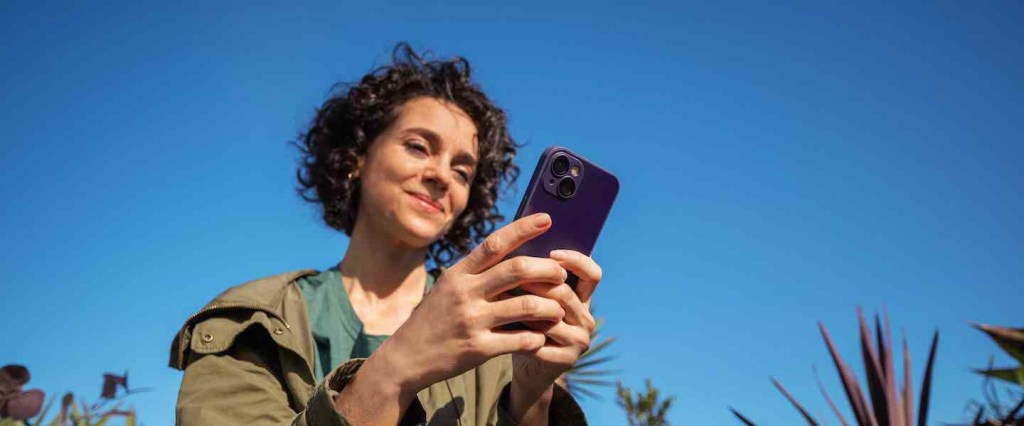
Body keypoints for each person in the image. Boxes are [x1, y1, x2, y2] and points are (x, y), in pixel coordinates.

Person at [169, 43, 602, 425]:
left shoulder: (498, 338)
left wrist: (532, 395)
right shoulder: (253, 322)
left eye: (462, 170)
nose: (440, 176)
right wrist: (398, 366)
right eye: (418, 147)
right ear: (356, 156)